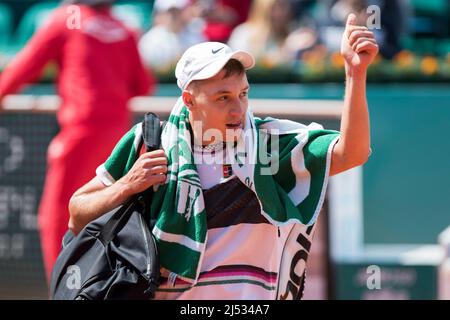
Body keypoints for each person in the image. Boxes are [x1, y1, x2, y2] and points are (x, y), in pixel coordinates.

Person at [68, 13, 378, 299]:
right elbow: (77, 214)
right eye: (223, 98)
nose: (238, 109)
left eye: (243, 94)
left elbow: (353, 153)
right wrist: (126, 186)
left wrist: (355, 74)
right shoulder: (149, 142)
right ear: (190, 99)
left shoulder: (268, 145)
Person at [0, 0, 155, 282]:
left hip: (80, 137)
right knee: (107, 220)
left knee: (56, 219)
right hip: (119, 140)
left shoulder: (66, 18)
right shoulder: (123, 27)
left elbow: (25, 66)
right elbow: (143, 85)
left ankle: (62, 291)